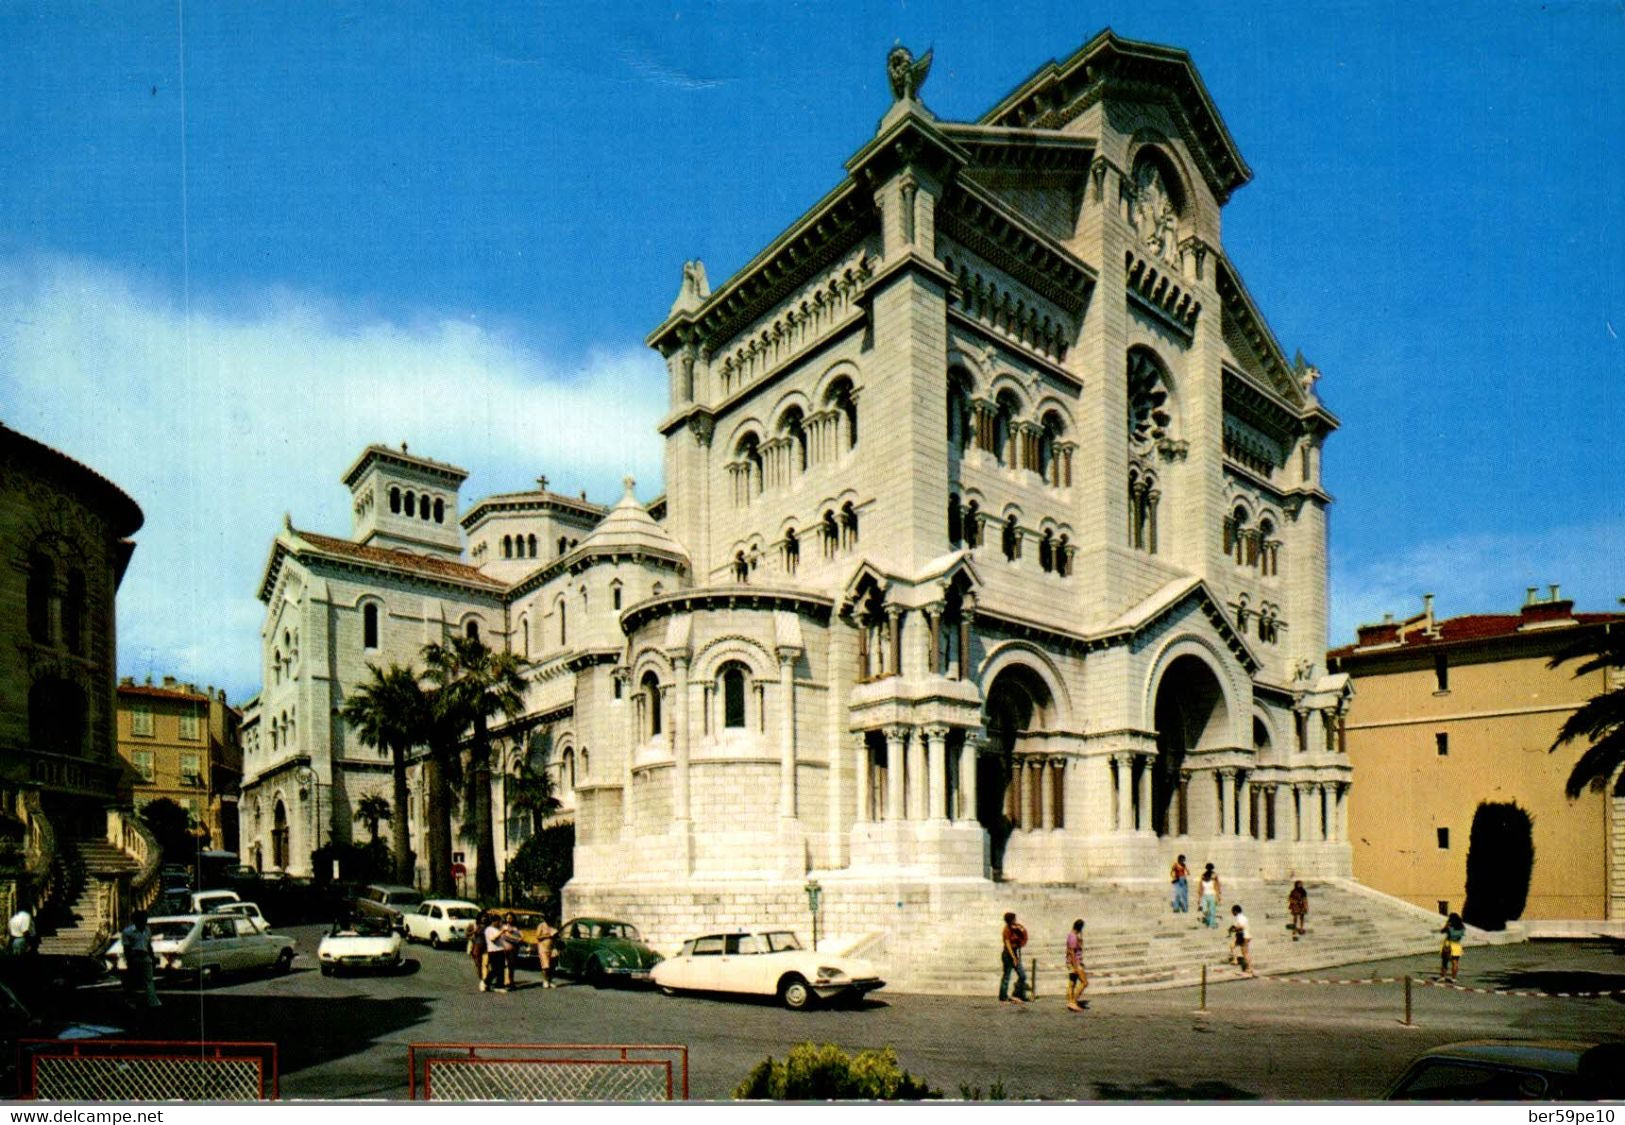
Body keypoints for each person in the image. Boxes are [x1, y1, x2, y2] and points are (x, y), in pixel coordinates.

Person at [121, 910, 160, 1008]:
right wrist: (129, 960)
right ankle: (131, 1001)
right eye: (143, 919)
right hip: (134, 958)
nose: (145, 921)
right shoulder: (128, 931)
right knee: (133, 981)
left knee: (149, 980)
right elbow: (126, 948)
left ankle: (153, 1001)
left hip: (146, 957)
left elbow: (149, 945)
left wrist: (152, 957)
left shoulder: (147, 930)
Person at [998, 912, 1028, 1004]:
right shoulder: (1006, 930)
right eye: (1014, 919)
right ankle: (1003, 996)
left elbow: (1023, 934)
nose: (1016, 920)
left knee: (1022, 975)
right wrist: (1014, 958)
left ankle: (1018, 993)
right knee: (1006, 976)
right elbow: (1008, 945)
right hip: (1008, 955)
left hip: (1015, 953)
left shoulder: (1015, 928)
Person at [1064, 918, 1089, 1012]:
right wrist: (1075, 966)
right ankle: (1073, 1002)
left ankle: (1070, 1001)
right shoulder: (1074, 937)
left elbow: (1068, 950)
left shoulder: (1071, 935)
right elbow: (1072, 952)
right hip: (1076, 963)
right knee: (1084, 982)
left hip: (1071, 962)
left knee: (1072, 982)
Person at [1440, 913, 1466, 979]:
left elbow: (1442, 931)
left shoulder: (1449, 926)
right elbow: (1462, 934)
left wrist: (1446, 925)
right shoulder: (1462, 927)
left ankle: (1443, 976)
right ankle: (1453, 978)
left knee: (1445, 962)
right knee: (1455, 962)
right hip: (1457, 945)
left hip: (1448, 945)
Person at [1228, 905, 1253, 975]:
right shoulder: (1241, 917)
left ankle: (1249, 968)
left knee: (1245, 953)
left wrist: (1234, 929)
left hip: (1244, 936)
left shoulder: (1240, 917)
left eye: (1232, 911)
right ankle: (1235, 960)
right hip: (1242, 935)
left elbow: (1241, 926)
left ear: (1235, 911)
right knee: (1232, 945)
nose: (1232, 912)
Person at [535, 917, 558, 989]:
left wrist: (556, 935)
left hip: (552, 948)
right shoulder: (541, 925)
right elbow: (538, 936)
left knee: (552, 965)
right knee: (546, 966)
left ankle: (550, 981)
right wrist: (549, 935)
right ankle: (545, 981)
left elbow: (556, 936)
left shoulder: (554, 926)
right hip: (543, 948)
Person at [469, 911, 489, 992]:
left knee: (486, 964)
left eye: (485, 917)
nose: (484, 918)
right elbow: (467, 934)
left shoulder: (489, 927)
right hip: (477, 946)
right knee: (478, 965)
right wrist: (474, 931)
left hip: (487, 947)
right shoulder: (474, 925)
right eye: (482, 917)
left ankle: (484, 981)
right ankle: (481, 979)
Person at [1198, 864, 1222, 928]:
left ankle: (1212, 924)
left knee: (1212, 910)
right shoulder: (1204, 875)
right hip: (1204, 895)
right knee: (1205, 910)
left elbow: (1218, 885)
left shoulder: (1214, 875)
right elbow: (1200, 887)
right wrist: (1199, 898)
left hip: (1212, 895)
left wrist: (1218, 895)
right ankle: (1209, 921)